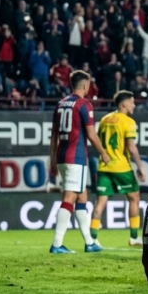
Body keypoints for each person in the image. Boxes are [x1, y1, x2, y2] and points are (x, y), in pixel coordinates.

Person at [48, 71, 111, 254]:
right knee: (69, 198)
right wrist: (103, 153)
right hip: (75, 158)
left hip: (61, 156)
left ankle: (90, 242)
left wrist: (52, 160)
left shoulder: (60, 104)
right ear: (85, 85)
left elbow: (53, 136)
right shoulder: (84, 104)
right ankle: (57, 244)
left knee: (82, 197)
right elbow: (91, 134)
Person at [90, 91, 146, 247]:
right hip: (121, 167)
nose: (134, 105)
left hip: (104, 165)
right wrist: (140, 166)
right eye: (132, 102)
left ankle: (92, 239)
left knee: (100, 202)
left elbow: (99, 141)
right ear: (123, 104)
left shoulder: (104, 120)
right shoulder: (128, 122)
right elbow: (131, 147)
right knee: (134, 198)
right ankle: (134, 237)